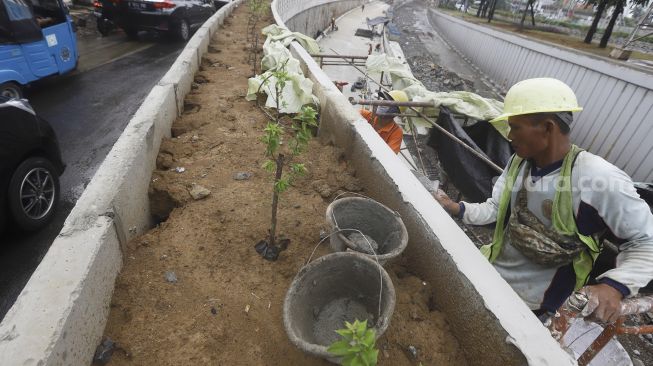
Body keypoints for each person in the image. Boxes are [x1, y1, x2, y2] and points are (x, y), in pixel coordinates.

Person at [434, 78, 653, 323]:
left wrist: (615, 286)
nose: (508, 135)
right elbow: (495, 207)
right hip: (493, 272)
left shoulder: (598, 179)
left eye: (515, 127)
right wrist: (456, 207)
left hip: (536, 303)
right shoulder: (519, 162)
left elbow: (646, 241)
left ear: (548, 128)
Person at [359, 90, 407, 154]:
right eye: (383, 99)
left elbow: (389, 157)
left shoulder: (396, 133)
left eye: (387, 103)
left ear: (395, 111)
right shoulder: (365, 114)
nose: (381, 103)